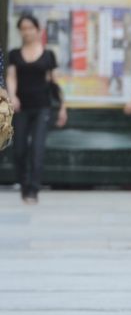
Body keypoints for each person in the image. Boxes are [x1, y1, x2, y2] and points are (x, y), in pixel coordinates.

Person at [5, 14, 66, 203]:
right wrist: (12, 96)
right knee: (19, 150)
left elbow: (55, 83)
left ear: (38, 30)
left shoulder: (48, 55)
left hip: (42, 107)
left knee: (38, 149)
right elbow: (11, 77)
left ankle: (33, 190)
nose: (27, 32)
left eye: (30, 28)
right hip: (21, 107)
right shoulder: (14, 54)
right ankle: (24, 184)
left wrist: (63, 107)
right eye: (23, 28)